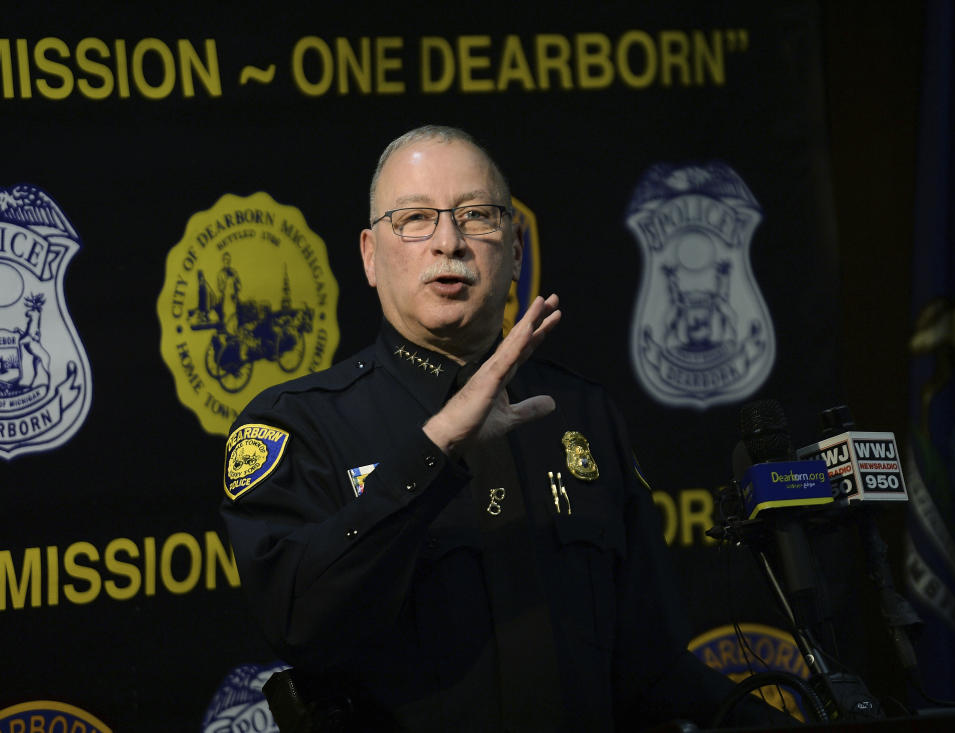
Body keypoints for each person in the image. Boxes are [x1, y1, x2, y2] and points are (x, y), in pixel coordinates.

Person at [220, 125, 791, 731]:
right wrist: (436, 447)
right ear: (369, 255)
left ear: (515, 250)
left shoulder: (581, 411)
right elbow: (298, 621)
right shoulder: (299, 423)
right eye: (415, 218)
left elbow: (648, 667)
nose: (449, 242)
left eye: (477, 216)